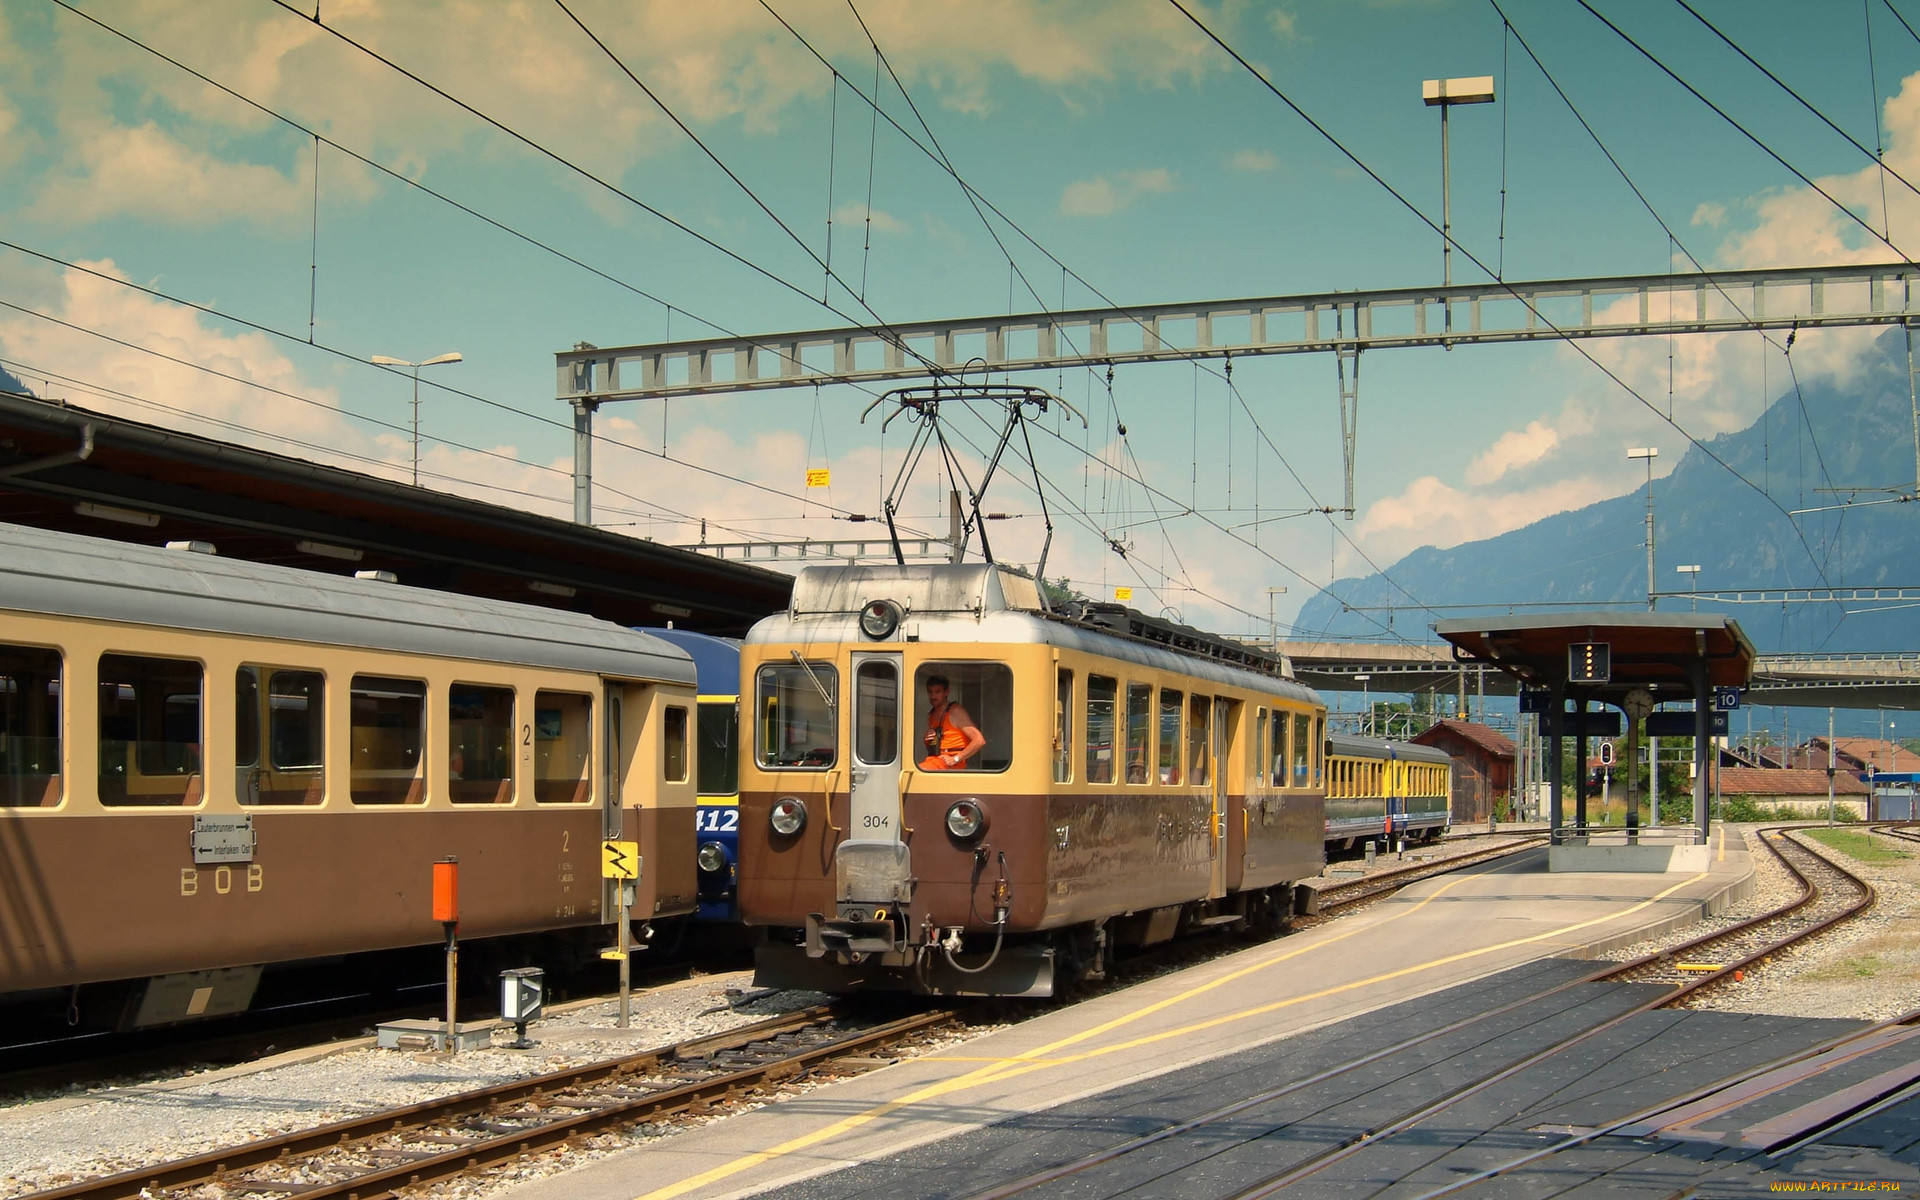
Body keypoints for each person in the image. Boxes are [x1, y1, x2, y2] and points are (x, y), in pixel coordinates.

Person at [920, 674, 986, 770]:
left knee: (921, 771)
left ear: (947, 692)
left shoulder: (955, 711)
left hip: (952, 764)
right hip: (935, 760)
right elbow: (935, 745)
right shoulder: (931, 714)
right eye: (930, 692)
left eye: (937, 692)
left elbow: (979, 741)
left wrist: (955, 759)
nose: (933, 696)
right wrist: (929, 740)